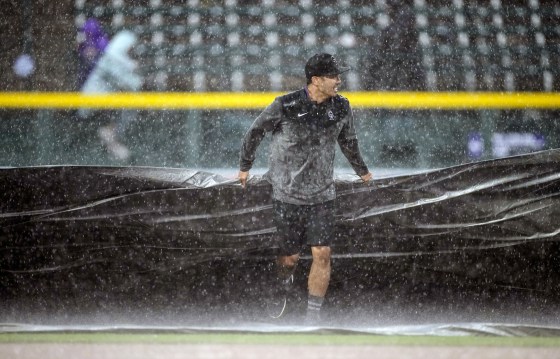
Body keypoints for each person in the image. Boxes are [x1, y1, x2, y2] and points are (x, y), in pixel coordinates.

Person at [238, 53, 373, 323]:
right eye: (334, 76)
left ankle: (313, 318)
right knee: (289, 258)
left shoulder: (342, 107)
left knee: (322, 253)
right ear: (316, 80)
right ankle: (283, 288)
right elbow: (255, 131)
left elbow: (349, 142)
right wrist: (245, 165)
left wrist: (363, 172)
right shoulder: (285, 104)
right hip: (286, 194)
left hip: (323, 195)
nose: (339, 80)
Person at [78, 30, 142, 161]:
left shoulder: (113, 58)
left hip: (100, 104)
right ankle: (115, 149)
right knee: (120, 114)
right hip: (93, 104)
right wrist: (135, 72)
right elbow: (132, 84)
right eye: (130, 48)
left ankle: (114, 149)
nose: (132, 52)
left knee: (110, 124)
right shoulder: (111, 59)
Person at [77, 18, 109, 88]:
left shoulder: (102, 40)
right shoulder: (86, 40)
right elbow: (81, 52)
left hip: (98, 69)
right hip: (87, 70)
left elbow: (104, 54)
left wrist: (95, 52)